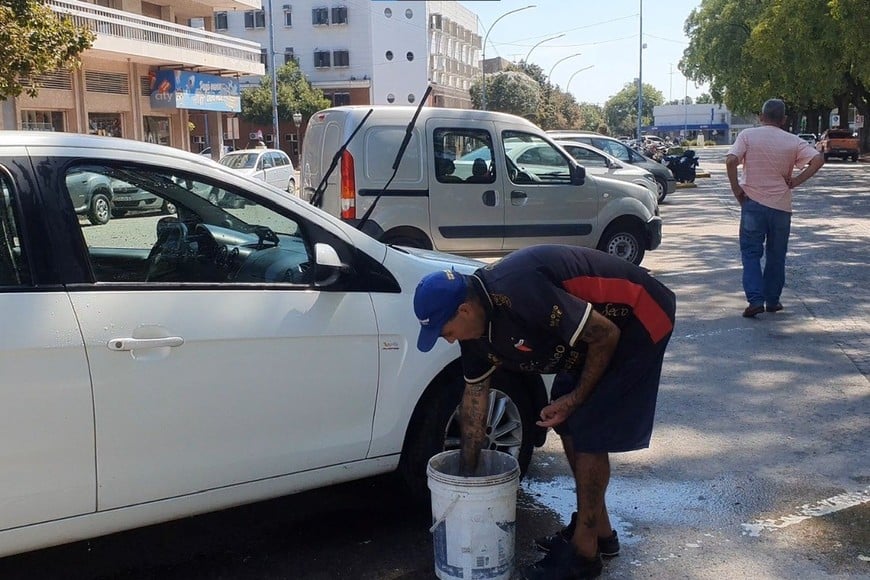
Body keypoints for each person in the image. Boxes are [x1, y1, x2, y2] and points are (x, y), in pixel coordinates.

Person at [413, 245, 676, 580]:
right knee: (568, 424)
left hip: (639, 317)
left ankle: (584, 555)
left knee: (588, 428)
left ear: (464, 311)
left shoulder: (519, 291)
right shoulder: (475, 335)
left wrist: (576, 399)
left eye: (445, 332)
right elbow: (475, 397)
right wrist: (469, 475)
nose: (447, 341)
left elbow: (605, 334)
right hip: (592, 338)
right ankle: (600, 532)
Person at [726, 99, 824, 318]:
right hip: (781, 206)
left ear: (761, 117)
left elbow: (731, 160)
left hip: (752, 203)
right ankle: (772, 300)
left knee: (751, 253)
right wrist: (796, 181)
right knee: (776, 254)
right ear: (784, 120)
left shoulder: (747, 136)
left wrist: (736, 190)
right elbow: (818, 159)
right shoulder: (793, 141)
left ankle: (755, 299)